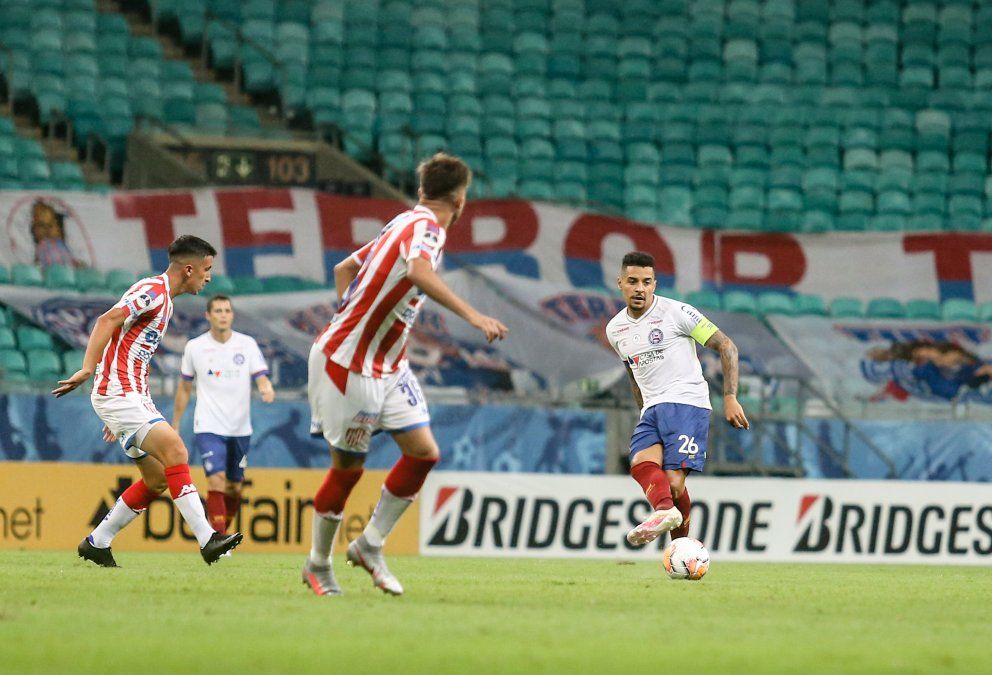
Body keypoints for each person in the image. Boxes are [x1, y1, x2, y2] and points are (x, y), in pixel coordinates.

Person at [302, 153, 508, 597]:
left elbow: (346, 269)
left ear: (422, 191)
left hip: (389, 366)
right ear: (460, 199)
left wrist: (358, 318)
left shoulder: (399, 222)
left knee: (423, 453)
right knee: (347, 471)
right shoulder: (428, 230)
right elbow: (418, 271)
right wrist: (473, 316)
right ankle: (317, 564)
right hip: (348, 364)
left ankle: (370, 545)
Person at [53, 235, 243, 567]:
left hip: (128, 396)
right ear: (188, 269)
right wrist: (88, 370)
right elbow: (106, 320)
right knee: (176, 451)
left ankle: (97, 542)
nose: (209, 277)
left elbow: (124, 340)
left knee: (156, 479)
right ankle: (208, 540)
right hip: (120, 394)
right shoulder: (153, 291)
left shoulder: (164, 298)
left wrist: (117, 413)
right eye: (206, 269)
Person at [605, 251, 749, 548]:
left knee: (672, 483)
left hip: (686, 402)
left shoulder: (677, 313)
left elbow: (727, 346)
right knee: (640, 463)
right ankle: (671, 526)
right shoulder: (615, 329)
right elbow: (633, 374)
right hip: (652, 407)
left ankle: (676, 536)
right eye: (632, 281)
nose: (640, 288)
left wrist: (731, 397)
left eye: (646, 282)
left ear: (655, 284)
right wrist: (643, 410)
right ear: (620, 283)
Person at [172, 294, 275, 534]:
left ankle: (221, 532)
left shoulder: (246, 344)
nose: (223, 315)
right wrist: (176, 423)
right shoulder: (195, 347)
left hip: (240, 428)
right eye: (217, 311)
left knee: (234, 487)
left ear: (232, 315)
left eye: (227, 311)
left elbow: (260, 375)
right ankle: (218, 539)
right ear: (208, 315)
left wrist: (265, 387)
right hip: (208, 425)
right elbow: (185, 387)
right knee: (215, 479)